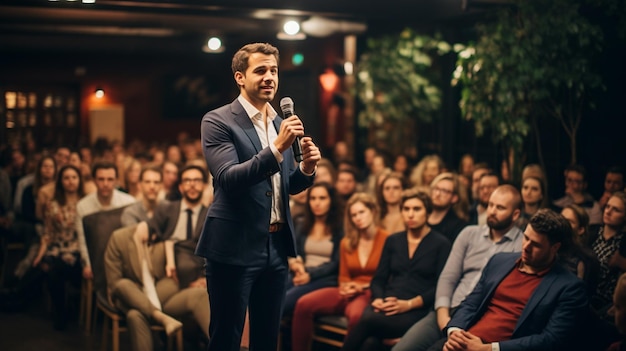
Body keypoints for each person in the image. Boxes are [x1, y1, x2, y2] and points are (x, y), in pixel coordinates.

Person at [195, 42, 321, 351]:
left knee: (267, 339)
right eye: (260, 70)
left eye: (274, 71)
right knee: (227, 338)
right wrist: (277, 148)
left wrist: (306, 168)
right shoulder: (218, 121)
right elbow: (228, 178)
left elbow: (282, 186)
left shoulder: (280, 122)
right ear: (240, 77)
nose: (270, 78)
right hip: (233, 246)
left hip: (275, 248)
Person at [432, 209, 588, 351]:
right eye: (526, 238)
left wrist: (488, 349)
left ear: (555, 248)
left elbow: (551, 339)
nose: (526, 247)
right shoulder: (500, 261)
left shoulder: (569, 286)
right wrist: (455, 333)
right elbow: (471, 303)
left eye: (536, 245)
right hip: (465, 340)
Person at [393, 185, 523, 351]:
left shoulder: (520, 244)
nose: (492, 211)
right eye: (490, 205)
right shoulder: (469, 234)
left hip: (478, 317)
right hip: (447, 309)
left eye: (500, 207)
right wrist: (442, 316)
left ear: (515, 214)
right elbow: (448, 277)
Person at [341, 190, 451, 351]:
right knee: (369, 344)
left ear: (427, 212)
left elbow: (441, 287)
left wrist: (409, 304)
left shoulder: (441, 244)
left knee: (367, 320)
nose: (410, 214)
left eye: (416, 209)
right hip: (388, 303)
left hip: (416, 309)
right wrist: (378, 298)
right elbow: (379, 278)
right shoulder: (394, 240)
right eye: (406, 209)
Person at [290, 192, 389, 351]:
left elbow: (386, 277)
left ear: (373, 211)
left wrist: (361, 287)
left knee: (356, 316)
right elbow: (343, 275)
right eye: (353, 214)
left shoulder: (387, 239)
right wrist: (346, 286)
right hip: (345, 289)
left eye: (362, 212)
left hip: (369, 292)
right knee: (303, 304)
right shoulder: (347, 242)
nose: (358, 217)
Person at [104, 221, 209, 351]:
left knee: (198, 295)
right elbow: (114, 283)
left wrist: (195, 277)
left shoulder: (164, 239)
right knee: (129, 300)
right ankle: (161, 318)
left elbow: (175, 274)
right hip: (131, 299)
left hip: (160, 295)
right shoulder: (119, 238)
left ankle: (223, 345)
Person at [33, 165, 86, 330]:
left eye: (74, 177)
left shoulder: (87, 202)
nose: (70, 182)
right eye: (66, 178)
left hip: (80, 248)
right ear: (61, 181)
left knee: (76, 268)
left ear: (79, 180)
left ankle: (76, 307)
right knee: (50, 269)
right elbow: (48, 232)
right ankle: (61, 312)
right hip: (58, 247)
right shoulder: (52, 204)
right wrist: (40, 254)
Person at [283, 182, 343, 316]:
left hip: (324, 278)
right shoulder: (302, 223)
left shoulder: (340, 228)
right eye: (313, 198)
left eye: (322, 198)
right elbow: (294, 250)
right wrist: (296, 264)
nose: (317, 203)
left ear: (331, 200)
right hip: (300, 273)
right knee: (269, 294)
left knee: (285, 301)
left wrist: (310, 275)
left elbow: (336, 263)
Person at [75, 162, 136, 280]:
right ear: (94, 180)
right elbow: (83, 240)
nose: (105, 184)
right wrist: (87, 264)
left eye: (110, 179)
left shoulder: (129, 202)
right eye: (101, 179)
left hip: (122, 257)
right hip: (97, 257)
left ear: (116, 181)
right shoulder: (83, 206)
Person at [427, 172, 468, 243]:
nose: (437, 194)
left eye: (444, 191)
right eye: (436, 188)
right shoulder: (420, 217)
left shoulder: (458, 226)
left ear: (454, 198)